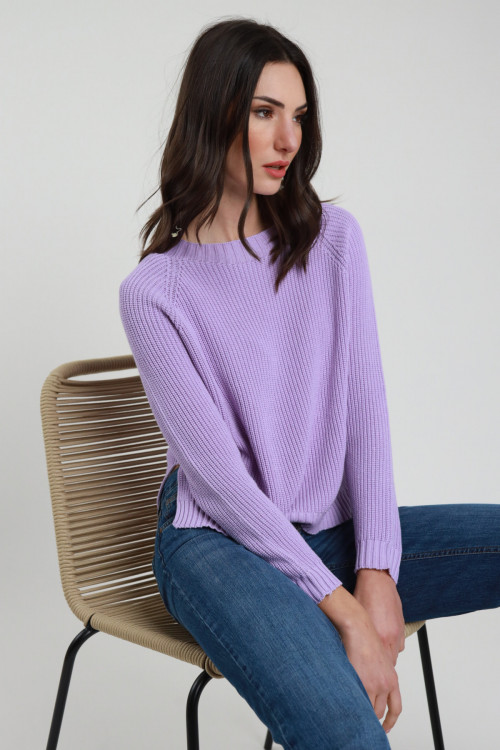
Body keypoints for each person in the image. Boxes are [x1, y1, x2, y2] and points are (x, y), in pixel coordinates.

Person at [119, 17, 500, 750]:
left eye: (298, 116)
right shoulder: (155, 292)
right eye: (265, 112)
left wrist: (376, 570)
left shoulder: (333, 240)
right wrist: (346, 610)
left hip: (329, 530)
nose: (288, 139)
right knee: (343, 730)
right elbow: (220, 486)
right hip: (218, 543)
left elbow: (365, 412)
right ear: (213, 112)